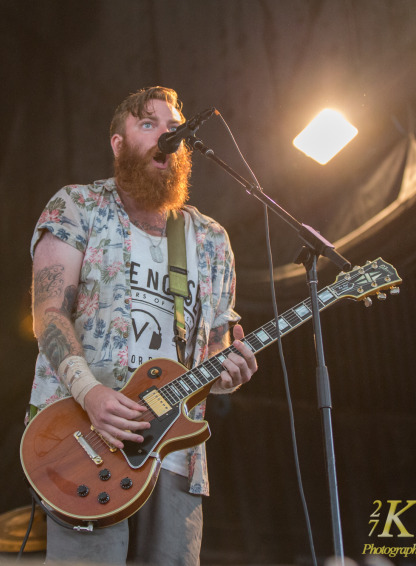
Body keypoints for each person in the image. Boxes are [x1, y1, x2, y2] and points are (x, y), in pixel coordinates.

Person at [28, 86, 258, 565]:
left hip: (176, 457)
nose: (166, 137)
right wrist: (91, 393)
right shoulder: (77, 206)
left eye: (175, 129)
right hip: (83, 443)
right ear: (118, 144)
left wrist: (230, 373)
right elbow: (48, 313)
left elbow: (214, 357)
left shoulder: (212, 240)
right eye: (148, 124)